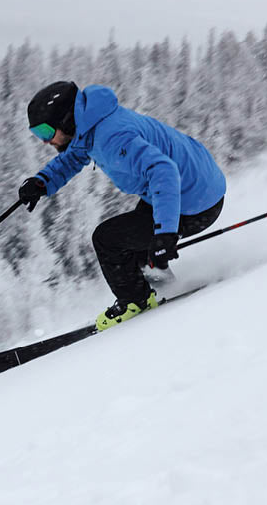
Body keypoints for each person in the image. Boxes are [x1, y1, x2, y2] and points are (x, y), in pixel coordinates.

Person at [19, 81, 226, 330]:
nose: (44, 141)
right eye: (38, 135)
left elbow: (164, 171)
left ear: (64, 120)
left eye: (45, 132)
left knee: (107, 240)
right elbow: (75, 155)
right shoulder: (91, 125)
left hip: (195, 203)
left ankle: (135, 301)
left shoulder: (111, 136)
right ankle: (160, 284)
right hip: (196, 188)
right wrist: (42, 182)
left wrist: (165, 232)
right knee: (135, 246)